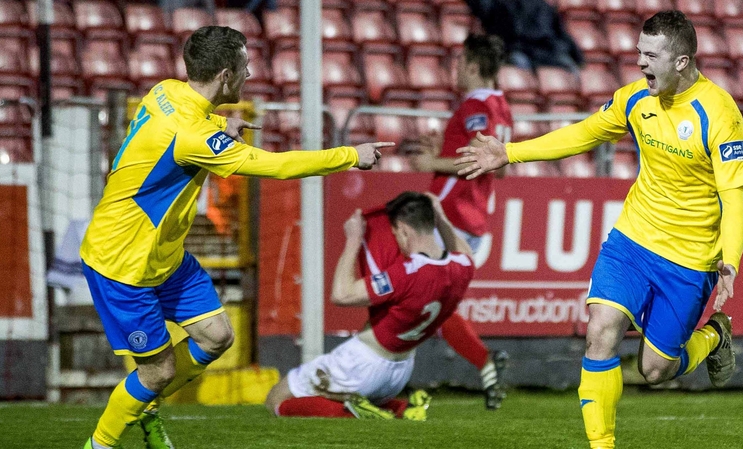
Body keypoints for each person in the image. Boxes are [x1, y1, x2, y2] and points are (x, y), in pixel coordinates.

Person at [80, 26, 390, 449]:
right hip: (122, 262)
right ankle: (100, 443)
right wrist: (352, 155)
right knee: (158, 372)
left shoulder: (165, 90)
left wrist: (220, 122)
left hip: (164, 255)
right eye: (245, 66)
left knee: (217, 337)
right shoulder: (194, 137)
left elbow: (188, 123)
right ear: (227, 75)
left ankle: (142, 402)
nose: (249, 73)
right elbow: (278, 166)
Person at [454, 11, 743, 448]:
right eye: (638, 53)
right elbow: (584, 134)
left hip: (689, 259)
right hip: (632, 241)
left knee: (656, 370)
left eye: (651, 55)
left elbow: (734, 198)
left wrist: (730, 262)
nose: (641, 63)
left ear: (682, 61)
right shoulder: (635, 99)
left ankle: (715, 335)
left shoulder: (720, 114)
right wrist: (509, 154)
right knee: (601, 330)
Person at [265, 192, 476, 420]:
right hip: (401, 370)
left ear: (404, 230)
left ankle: (357, 413)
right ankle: (403, 409)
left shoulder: (406, 273)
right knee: (342, 398)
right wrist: (442, 217)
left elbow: (341, 295)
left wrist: (353, 241)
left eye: (396, 233)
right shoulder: (463, 267)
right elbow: (465, 252)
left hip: (362, 363)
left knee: (277, 399)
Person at [410, 33, 513, 410]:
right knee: (430, 301)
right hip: (470, 218)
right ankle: (486, 364)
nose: (454, 70)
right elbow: (498, 167)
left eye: (459, 63)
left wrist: (432, 164)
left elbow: (482, 161)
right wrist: (442, 153)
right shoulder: (501, 105)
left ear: (472, 66)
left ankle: (372, 374)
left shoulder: (476, 105)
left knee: (417, 297)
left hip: (453, 215)